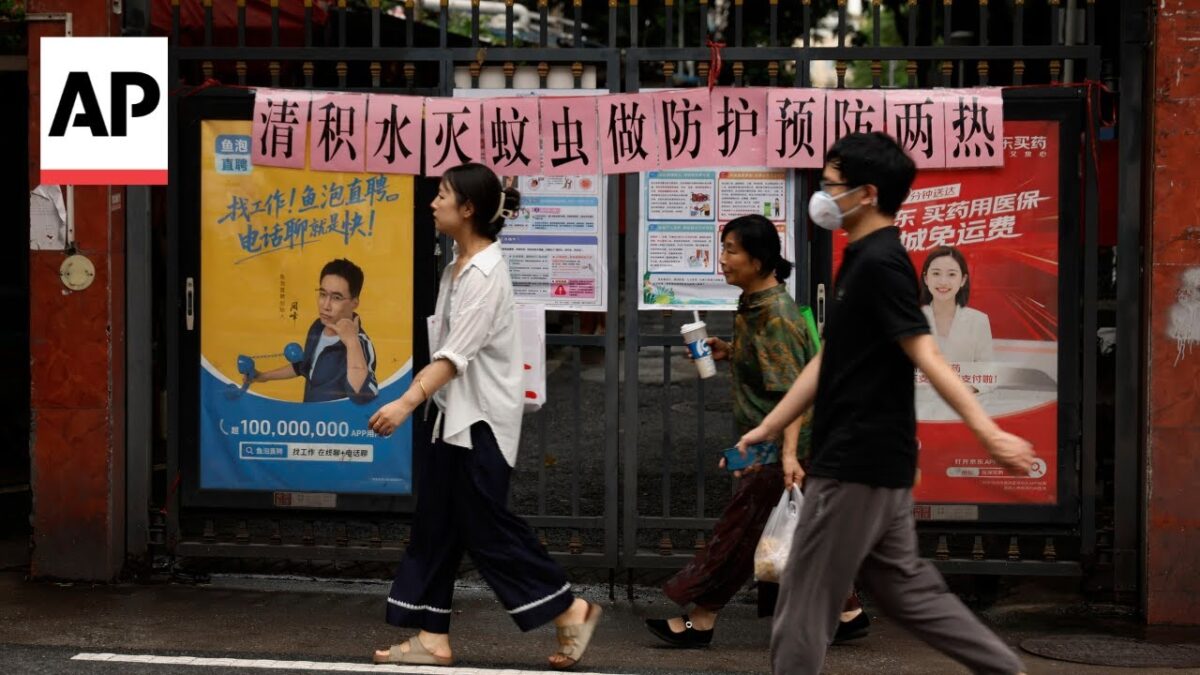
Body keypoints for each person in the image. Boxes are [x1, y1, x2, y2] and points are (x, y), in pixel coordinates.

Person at [737, 133, 1036, 675]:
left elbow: (925, 352)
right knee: (907, 593)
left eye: (831, 186)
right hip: (876, 461)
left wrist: (987, 432)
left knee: (803, 602)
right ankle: (1005, 670)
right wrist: (770, 425)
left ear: (867, 193)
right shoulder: (860, 258)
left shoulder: (882, 264)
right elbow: (830, 358)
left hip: (856, 462)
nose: (823, 197)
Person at [366, 163, 601, 669]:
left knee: (486, 528)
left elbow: (455, 356)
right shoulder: (460, 265)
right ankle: (431, 636)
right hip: (453, 418)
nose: (432, 203)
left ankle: (569, 608)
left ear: (467, 209)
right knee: (436, 524)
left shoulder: (485, 274)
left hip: (479, 424)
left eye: (442, 195)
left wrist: (406, 403)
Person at [644, 214, 868, 650]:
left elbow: (794, 392)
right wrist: (731, 351)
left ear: (759, 259)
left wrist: (788, 458)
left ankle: (701, 619)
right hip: (771, 443)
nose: (722, 260)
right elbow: (774, 370)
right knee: (794, 531)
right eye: (723, 248)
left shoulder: (775, 317)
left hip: (779, 449)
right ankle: (847, 610)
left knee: (740, 534)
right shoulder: (757, 304)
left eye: (731, 250)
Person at [250, 258, 377, 403]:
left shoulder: (361, 343)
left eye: (336, 297)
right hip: (310, 420)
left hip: (339, 423)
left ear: (354, 303)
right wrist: (263, 377)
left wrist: (351, 341)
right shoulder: (318, 327)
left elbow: (361, 396)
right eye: (323, 294)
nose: (326, 305)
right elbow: (304, 367)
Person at [920, 245, 994, 363]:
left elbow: (985, 373)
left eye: (951, 274)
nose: (943, 282)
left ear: (963, 280)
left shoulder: (979, 321)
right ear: (926, 278)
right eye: (936, 273)